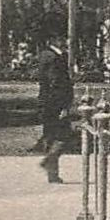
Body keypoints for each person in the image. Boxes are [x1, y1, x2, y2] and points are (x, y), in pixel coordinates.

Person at [37, 34, 74, 184]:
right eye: (62, 39)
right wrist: (63, 105)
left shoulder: (45, 55)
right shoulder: (55, 58)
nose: (65, 41)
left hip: (45, 102)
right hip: (56, 103)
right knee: (64, 136)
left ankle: (53, 174)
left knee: (51, 136)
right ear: (54, 40)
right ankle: (49, 160)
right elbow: (56, 82)